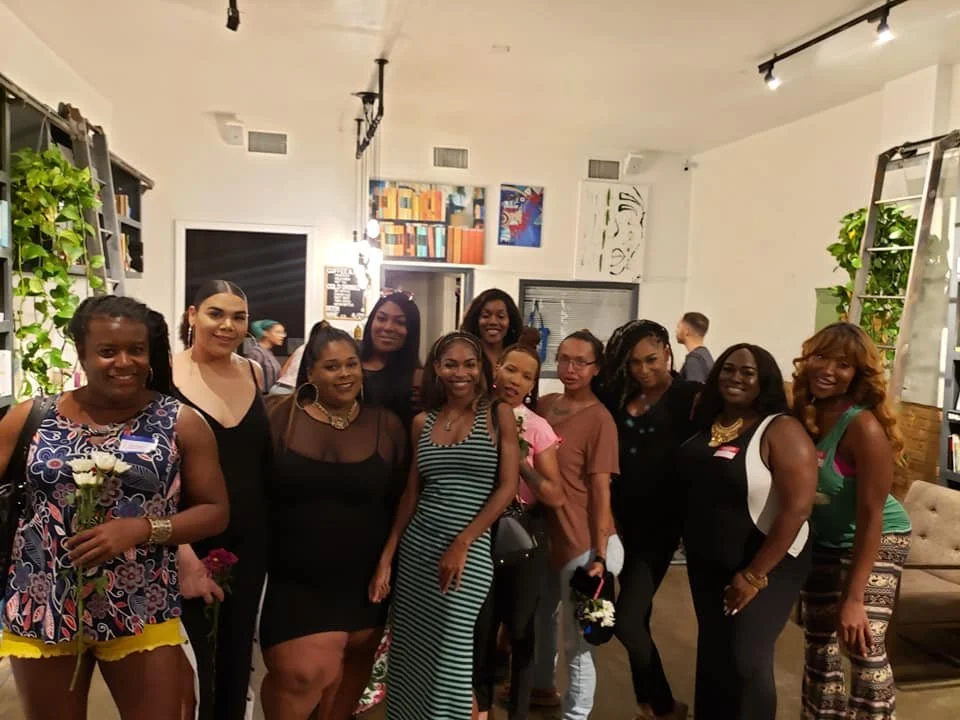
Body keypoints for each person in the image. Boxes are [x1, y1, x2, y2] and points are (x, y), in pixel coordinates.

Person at [0, 295, 228, 720]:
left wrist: (144, 529)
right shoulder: (32, 417)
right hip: (44, 602)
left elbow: (215, 510)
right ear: (82, 353)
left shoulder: (179, 422)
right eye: (107, 351)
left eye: (136, 350)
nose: (124, 362)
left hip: (141, 603)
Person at [258, 322, 408, 719]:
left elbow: (402, 501)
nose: (345, 374)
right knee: (301, 677)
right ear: (310, 372)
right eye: (331, 366)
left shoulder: (387, 425)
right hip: (296, 581)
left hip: (365, 583)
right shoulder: (278, 417)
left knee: (345, 689)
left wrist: (387, 562)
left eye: (351, 364)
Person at [373, 332, 519, 719]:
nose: (461, 373)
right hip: (418, 552)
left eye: (469, 364)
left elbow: (507, 488)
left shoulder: (498, 413)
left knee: (451, 657)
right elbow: (411, 495)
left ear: (481, 367)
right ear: (436, 368)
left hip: (468, 554)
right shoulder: (422, 422)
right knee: (412, 654)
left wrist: (463, 542)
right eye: (451, 364)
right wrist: (387, 557)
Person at [679, 344, 816, 720]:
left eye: (747, 372)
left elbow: (798, 508)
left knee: (747, 658)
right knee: (714, 655)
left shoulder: (780, 429)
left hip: (767, 564)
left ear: (763, 380)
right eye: (728, 369)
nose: (735, 377)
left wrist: (755, 574)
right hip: (708, 562)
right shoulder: (707, 423)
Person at [792, 323, 912, 720]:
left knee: (864, 643)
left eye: (843, 364)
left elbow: (871, 516)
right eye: (821, 357)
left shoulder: (863, 427)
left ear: (857, 374)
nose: (828, 370)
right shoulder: (802, 414)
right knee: (819, 643)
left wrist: (855, 598)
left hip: (878, 536)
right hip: (824, 540)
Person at [174, 279, 272, 720]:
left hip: (250, 540)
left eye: (239, 317)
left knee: (236, 657)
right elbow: (151, 476)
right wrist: (179, 551)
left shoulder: (253, 371)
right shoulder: (164, 375)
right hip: (187, 540)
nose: (227, 325)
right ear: (193, 315)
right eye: (216, 313)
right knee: (192, 665)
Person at [600, 320, 700, 720]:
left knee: (626, 621)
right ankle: (649, 702)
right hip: (615, 524)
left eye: (652, 359)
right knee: (630, 617)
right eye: (634, 362)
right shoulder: (620, 395)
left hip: (658, 530)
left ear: (668, 353)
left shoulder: (690, 397)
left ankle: (663, 704)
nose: (643, 369)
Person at [473, 341, 566, 720]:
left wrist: (520, 458)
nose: (516, 380)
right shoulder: (474, 415)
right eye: (511, 369)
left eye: (527, 376)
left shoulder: (538, 426)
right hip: (479, 530)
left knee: (521, 630)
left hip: (524, 533)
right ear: (497, 368)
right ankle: (479, 709)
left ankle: (519, 712)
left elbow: (555, 495)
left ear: (532, 385)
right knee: (481, 628)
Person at [538, 330, 625, 720]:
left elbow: (601, 491)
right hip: (547, 538)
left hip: (584, 543)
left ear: (596, 368)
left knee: (578, 642)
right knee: (542, 619)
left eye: (580, 362)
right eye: (563, 358)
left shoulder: (600, 419)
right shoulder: (546, 405)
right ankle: (542, 688)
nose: (570, 368)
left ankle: (577, 714)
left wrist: (600, 556)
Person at [361, 292, 423, 429]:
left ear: (411, 330)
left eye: (400, 322)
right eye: (382, 318)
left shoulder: (418, 379)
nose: (388, 327)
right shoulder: (350, 365)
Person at [461, 288, 524, 376]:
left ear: (511, 321)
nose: (493, 322)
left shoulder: (520, 359)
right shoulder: (464, 357)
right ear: (475, 320)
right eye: (486, 316)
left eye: (501, 316)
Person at [246, 319, 287, 392]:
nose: (283, 336)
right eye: (278, 332)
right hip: (261, 396)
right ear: (265, 333)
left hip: (271, 397)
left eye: (283, 332)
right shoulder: (256, 353)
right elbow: (250, 380)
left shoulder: (268, 353)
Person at [676, 312, 713, 383]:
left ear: (686, 331)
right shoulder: (704, 355)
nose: (676, 331)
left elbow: (693, 389)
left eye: (678, 327)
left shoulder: (694, 359)